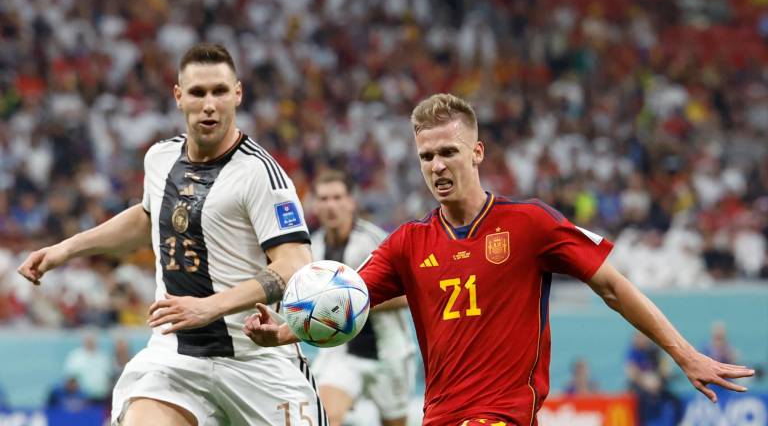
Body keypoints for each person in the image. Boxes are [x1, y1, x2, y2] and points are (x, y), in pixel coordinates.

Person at [244, 93, 754, 425]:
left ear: (478, 152)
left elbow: (614, 288)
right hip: (439, 414)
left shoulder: (531, 224)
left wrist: (684, 353)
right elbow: (341, 304)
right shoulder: (406, 244)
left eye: (449, 151)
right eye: (427, 156)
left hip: (504, 415)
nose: (438, 165)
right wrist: (284, 331)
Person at [18, 43, 326, 426]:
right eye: (198, 92)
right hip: (178, 358)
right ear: (179, 97)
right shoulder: (160, 158)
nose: (209, 104)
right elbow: (148, 217)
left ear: (238, 94)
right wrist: (65, 249)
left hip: (256, 359)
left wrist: (210, 306)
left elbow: (295, 264)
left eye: (219, 91)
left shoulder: (262, 175)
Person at [308, 170, 416, 426]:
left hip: (388, 352)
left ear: (351, 202)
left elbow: (409, 293)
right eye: (323, 198)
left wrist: (351, 303)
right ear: (315, 204)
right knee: (324, 417)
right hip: (343, 352)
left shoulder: (375, 241)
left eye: (337, 197)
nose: (331, 205)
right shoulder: (312, 247)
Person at [625, 332, 682, 424]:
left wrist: (661, 376)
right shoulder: (633, 352)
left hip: (657, 386)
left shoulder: (653, 351)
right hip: (640, 388)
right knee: (641, 401)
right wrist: (645, 380)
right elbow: (631, 372)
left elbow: (663, 369)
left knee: (675, 401)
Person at [63, 333, 111, 404]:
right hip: (82, 399)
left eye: (92, 340)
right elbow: (70, 379)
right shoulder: (76, 357)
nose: (90, 342)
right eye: (88, 339)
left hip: (102, 397)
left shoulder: (103, 357)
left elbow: (109, 377)